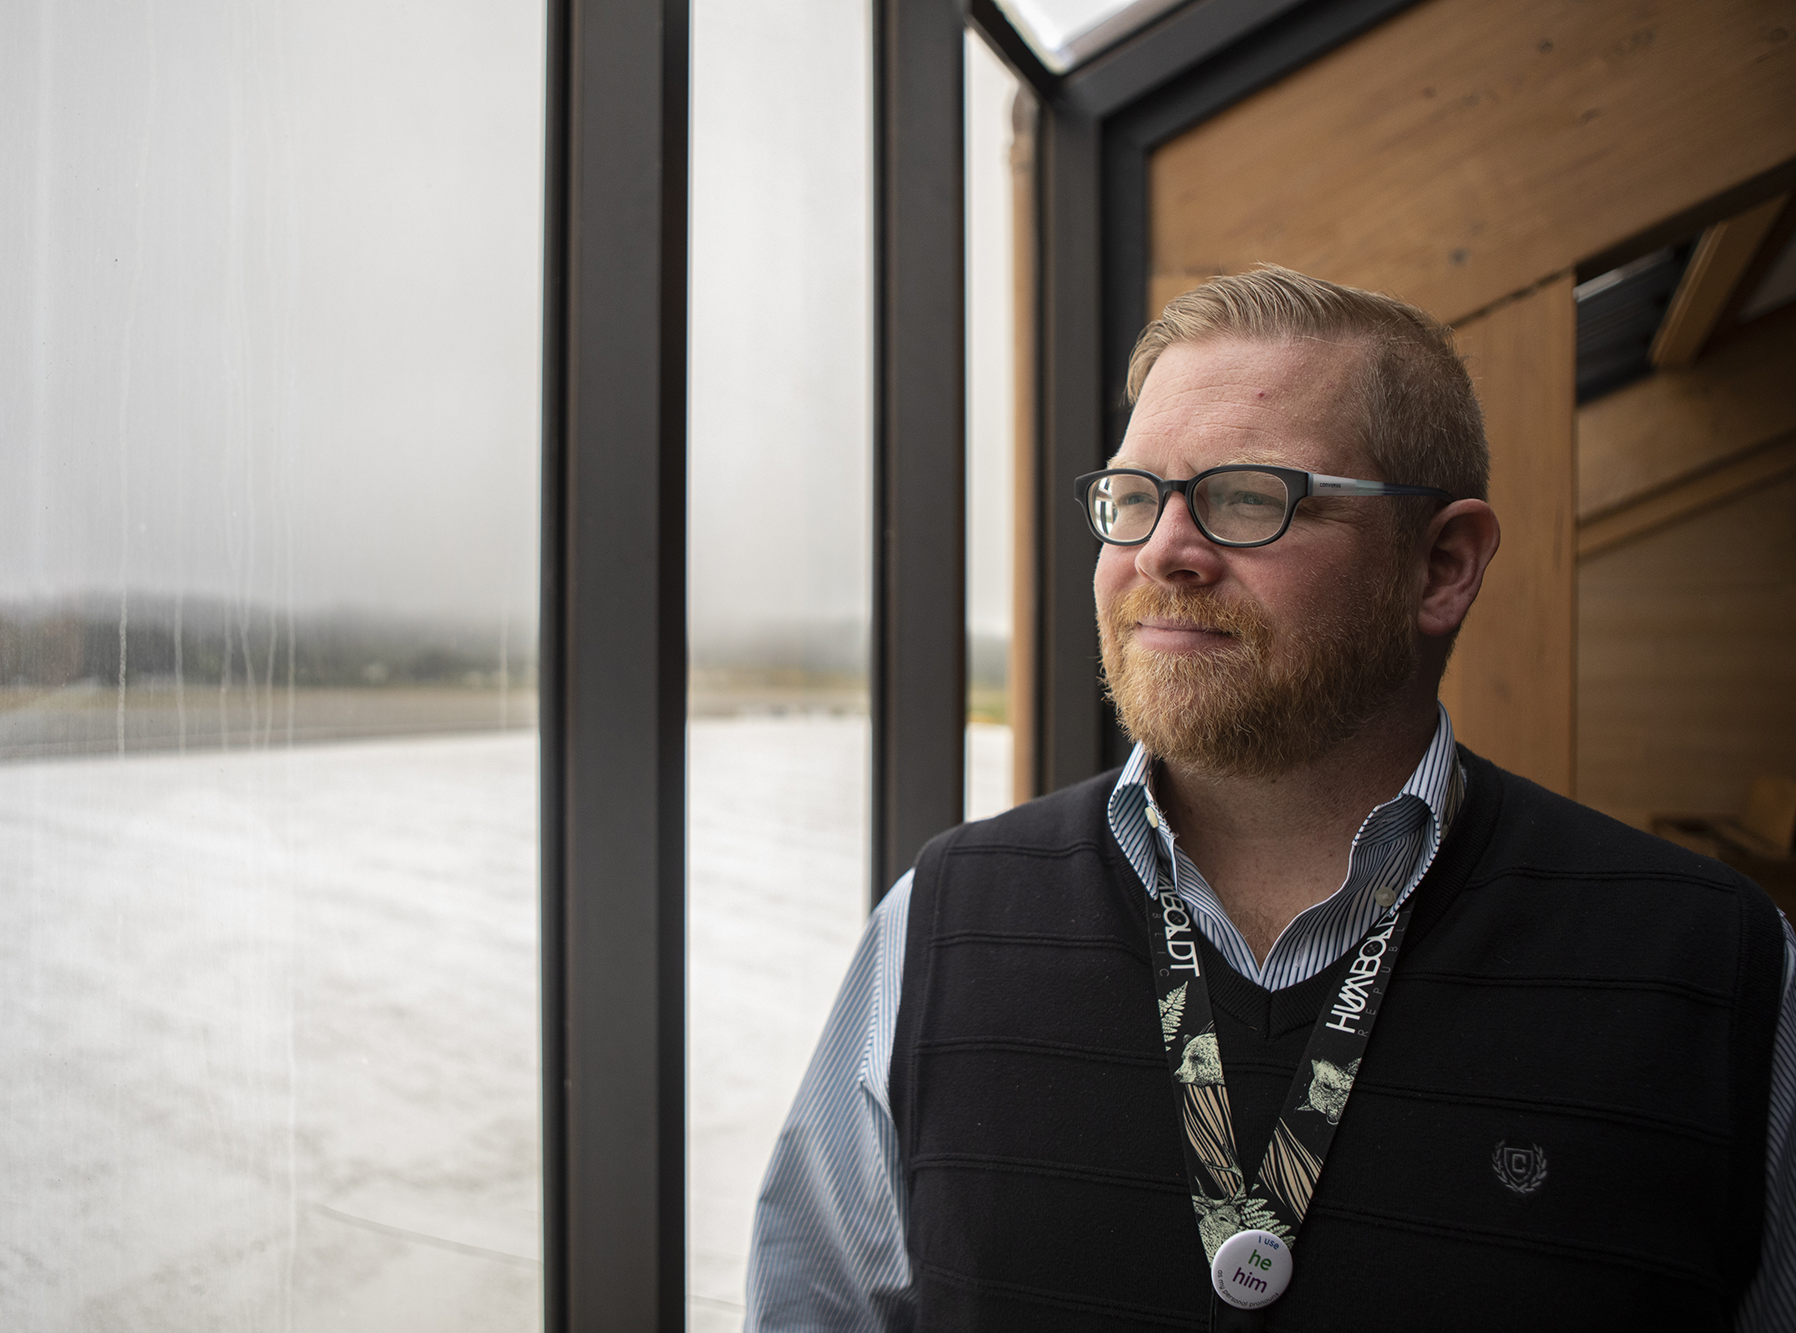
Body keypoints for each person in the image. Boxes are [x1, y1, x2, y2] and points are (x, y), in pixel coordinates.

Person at [744, 266, 1795, 1330]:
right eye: (1133, 497)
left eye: (1248, 496)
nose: (1161, 550)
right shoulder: (939, 920)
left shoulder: (1713, 968)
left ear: (1440, 565)